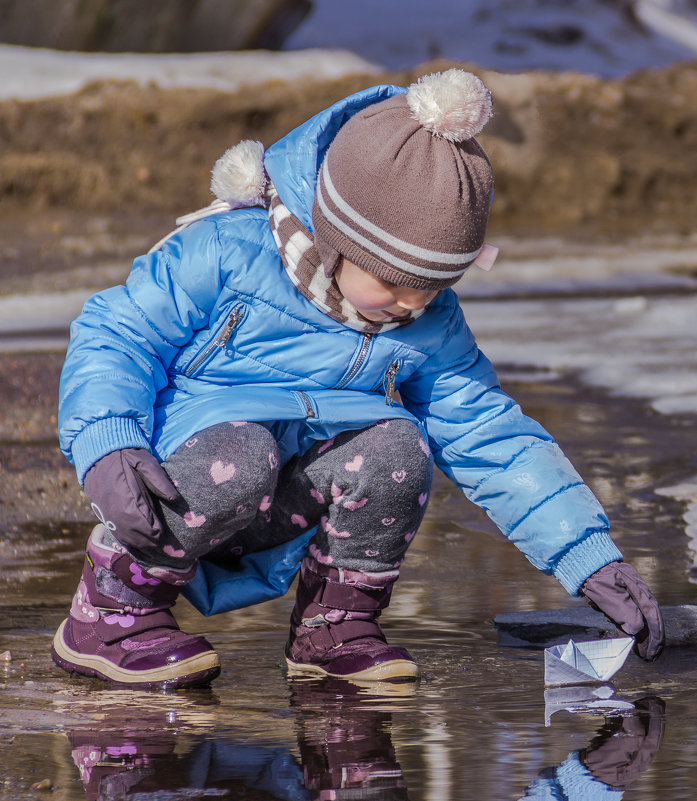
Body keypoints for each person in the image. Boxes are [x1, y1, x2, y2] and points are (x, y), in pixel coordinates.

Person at [51, 68, 665, 690]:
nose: (408, 305)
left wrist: (588, 556)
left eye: (430, 288)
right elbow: (117, 334)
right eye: (391, 282)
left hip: (283, 495)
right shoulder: (225, 255)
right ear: (336, 240)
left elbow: (488, 435)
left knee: (398, 448)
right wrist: (108, 442)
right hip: (173, 483)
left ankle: (336, 626)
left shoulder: (431, 325)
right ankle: (110, 614)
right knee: (242, 452)